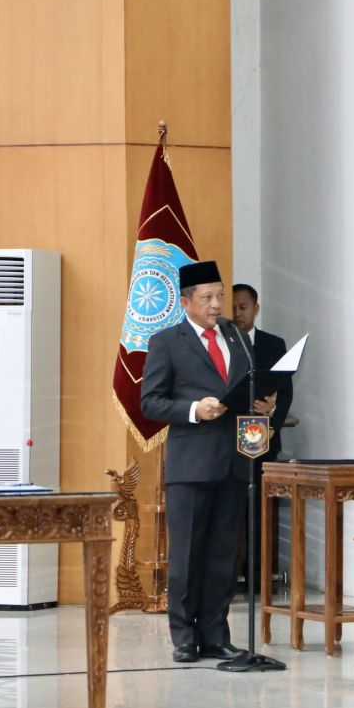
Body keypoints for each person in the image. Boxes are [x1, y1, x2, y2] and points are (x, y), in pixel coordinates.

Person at [141, 261, 278, 663]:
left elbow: (247, 387)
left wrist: (265, 407)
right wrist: (193, 409)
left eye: (220, 296)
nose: (218, 305)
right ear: (186, 302)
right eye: (209, 298)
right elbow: (150, 401)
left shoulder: (237, 338)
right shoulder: (167, 341)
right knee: (186, 554)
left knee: (222, 555)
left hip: (234, 462)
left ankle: (216, 633)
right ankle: (184, 636)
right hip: (190, 465)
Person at [231, 283, 291, 587]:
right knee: (231, 506)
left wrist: (273, 412)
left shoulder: (273, 344)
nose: (238, 312)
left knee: (259, 506)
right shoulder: (223, 342)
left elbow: (286, 391)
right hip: (229, 438)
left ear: (256, 308)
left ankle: (257, 575)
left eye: (243, 306)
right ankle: (229, 575)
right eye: (233, 307)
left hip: (261, 434)